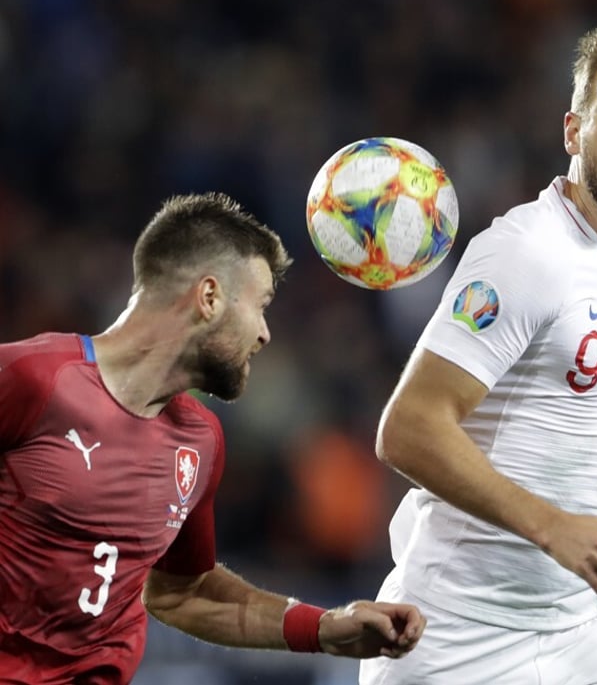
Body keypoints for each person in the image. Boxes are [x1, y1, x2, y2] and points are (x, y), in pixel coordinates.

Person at [360, 22, 597, 685]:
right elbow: (408, 429)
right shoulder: (526, 252)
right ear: (574, 131)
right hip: (460, 637)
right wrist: (553, 527)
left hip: (580, 628)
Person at [0, 192, 425, 685]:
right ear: (209, 297)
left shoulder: (199, 441)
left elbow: (183, 591)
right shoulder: (32, 379)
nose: (265, 334)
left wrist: (327, 628)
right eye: (261, 305)